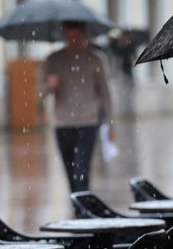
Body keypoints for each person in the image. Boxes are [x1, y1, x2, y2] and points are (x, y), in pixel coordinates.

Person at [42, 21, 115, 193]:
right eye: (69, 37)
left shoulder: (95, 59)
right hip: (62, 123)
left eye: (77, 36)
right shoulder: (53, 60)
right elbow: (39, 94)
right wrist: (49, 86)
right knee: (69, 172)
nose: (73, 40)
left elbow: (105, 94)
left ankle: (83, 205)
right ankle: (77, 204)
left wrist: (112, 124)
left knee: (81, 170)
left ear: (84, 36)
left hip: (88, 122)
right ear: (64, 37)